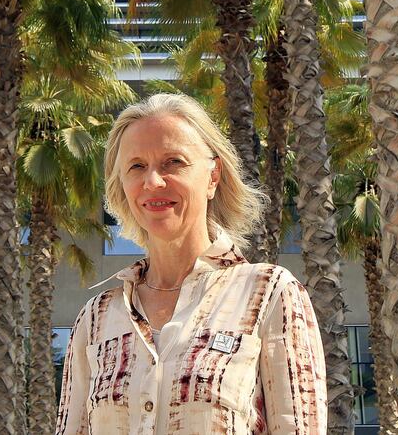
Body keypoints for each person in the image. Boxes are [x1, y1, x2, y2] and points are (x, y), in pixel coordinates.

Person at [55, 93, 327, 434]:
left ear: (213, 177)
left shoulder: (269, 294)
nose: (153, 181)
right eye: (137, 166)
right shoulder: (97, 318)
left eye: (173, 162)